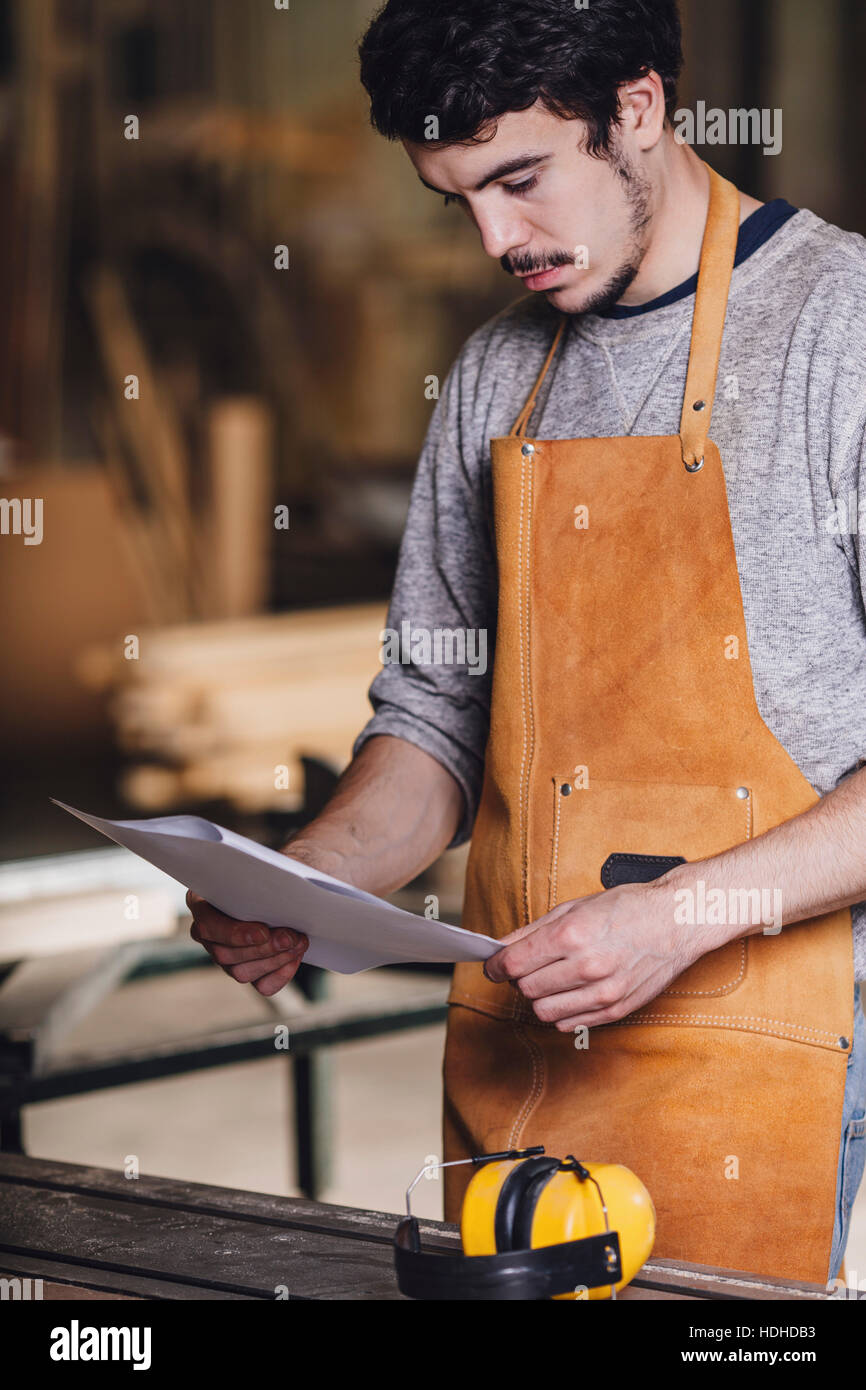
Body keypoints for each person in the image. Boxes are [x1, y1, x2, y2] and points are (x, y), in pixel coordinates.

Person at [189, 0, 866, 1287]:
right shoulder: (497, 376)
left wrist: (676, 918)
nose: (499, 240)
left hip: (760, 1035)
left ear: (640, 110)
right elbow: (436, 715)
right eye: (459, 201)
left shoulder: (842, 335)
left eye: (518, 179)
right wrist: (308, 882)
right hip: (521, 1038)